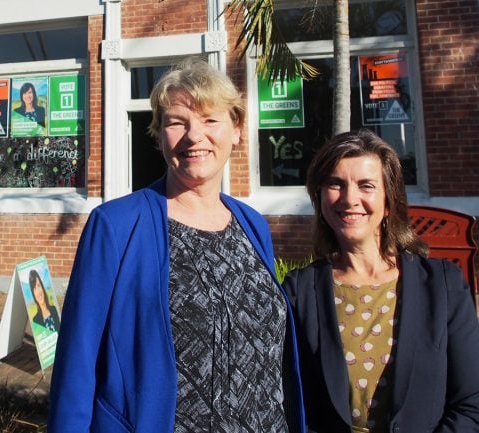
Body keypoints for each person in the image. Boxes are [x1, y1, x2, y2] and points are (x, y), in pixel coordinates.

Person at [47, 57, 305, 433]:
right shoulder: (116, 226)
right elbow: (77, 360)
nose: (193, 136)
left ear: (236, 130)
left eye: (210, 120)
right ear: (159, 133)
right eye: (177, 122)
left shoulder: (253, 225)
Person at [283, 129, 479, 433]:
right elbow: (290, 402)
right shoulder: (299, 292)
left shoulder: (443, 286)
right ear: (320, 198)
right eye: (335, 184)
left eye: (366, 185)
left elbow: (472, 403)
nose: (350, 199)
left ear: (389, 200)